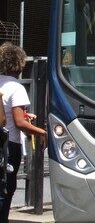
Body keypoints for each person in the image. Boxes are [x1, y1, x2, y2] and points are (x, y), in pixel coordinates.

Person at [0, 43, 46, 222]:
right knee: (6, 188)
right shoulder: (17, 88)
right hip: (8, 144)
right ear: (19, 63)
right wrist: (41, 131)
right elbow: (19, 123)